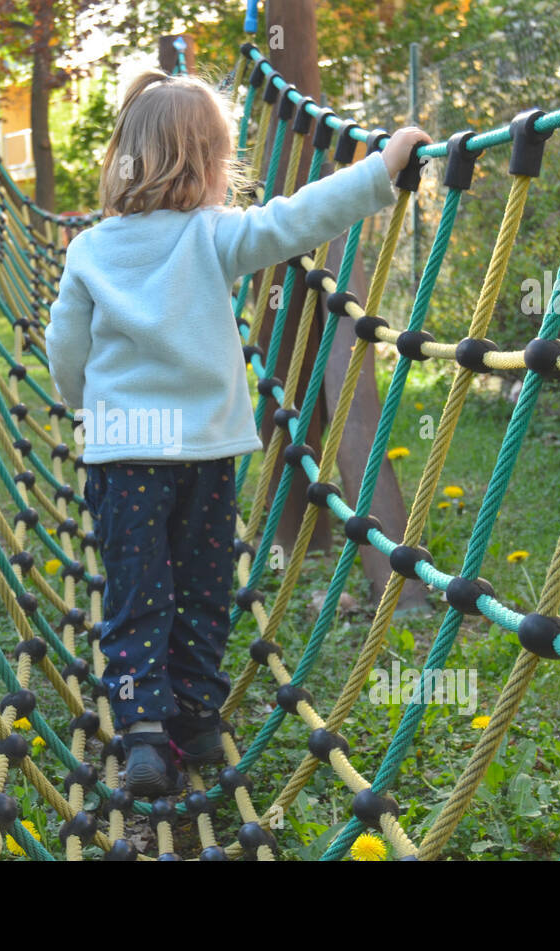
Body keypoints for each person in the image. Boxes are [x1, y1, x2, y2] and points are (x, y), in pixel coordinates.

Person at [45, 68, 430, 798]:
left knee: (134, 589)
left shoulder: (90, 250)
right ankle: (194, 711)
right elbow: (295, 219)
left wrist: (78, 401)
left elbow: (68, 350)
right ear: (206, 165)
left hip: (124, 454)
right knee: (202, 584)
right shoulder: (213, 236)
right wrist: (380, 171)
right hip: (205, 455)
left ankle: (144, 735)